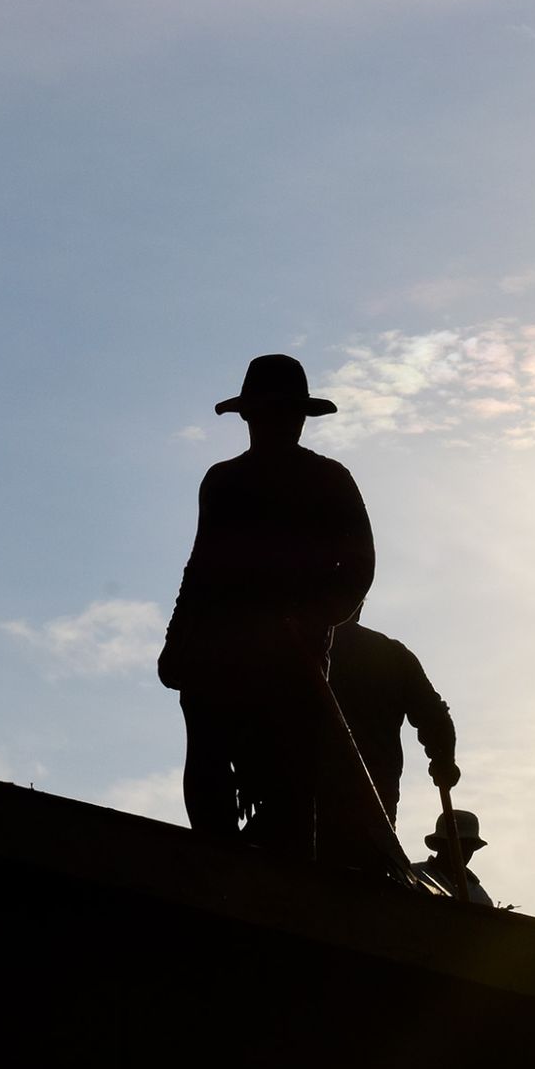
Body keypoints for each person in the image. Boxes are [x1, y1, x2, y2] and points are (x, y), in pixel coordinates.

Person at [158, 354, 375, 858]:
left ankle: (287, 891)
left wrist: (313, 617)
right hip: (216, 653)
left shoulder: (329, 480)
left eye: (287, 412)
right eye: (269, 411)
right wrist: (177, 639)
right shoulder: (222, 481)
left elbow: (360, 567)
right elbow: (200, 567)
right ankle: (214, 869)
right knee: (209, 768)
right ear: (249, 416)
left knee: (291, 787)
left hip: (292, 661)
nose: (279, 421)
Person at [327, 606, 460, 827]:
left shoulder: (291, 647)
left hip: (308, 795)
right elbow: (435, 718)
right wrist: (443, 761)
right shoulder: (392, 656)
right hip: (371, 801)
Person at [414, 809, 494, 907]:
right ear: (441, 844)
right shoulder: (413, 875)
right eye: (461, 844)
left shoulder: (479, 895)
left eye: (470, 846)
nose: (465, 851)